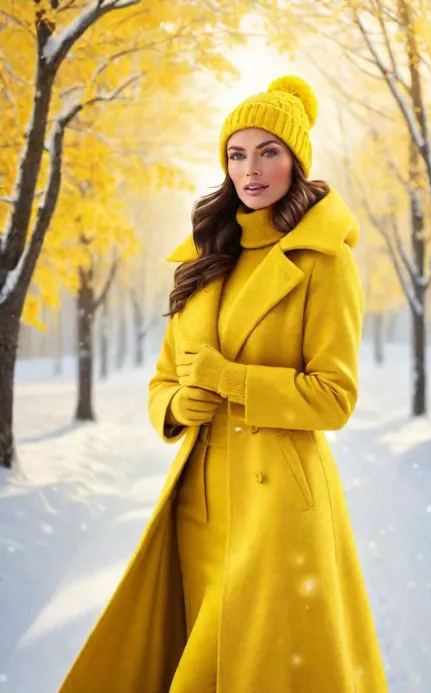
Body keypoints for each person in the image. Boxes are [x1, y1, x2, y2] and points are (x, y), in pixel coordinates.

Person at [59, 75, 388, 693]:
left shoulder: (325, 261)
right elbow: (163, 381)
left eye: (269, 151)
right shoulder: (205, 258)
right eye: (237, 153)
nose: (251, 169)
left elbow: (334, 397)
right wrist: (179, 402)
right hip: (197, 503)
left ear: (296, 160)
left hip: (278, 508)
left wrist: (231, 381)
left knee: (240, 670)